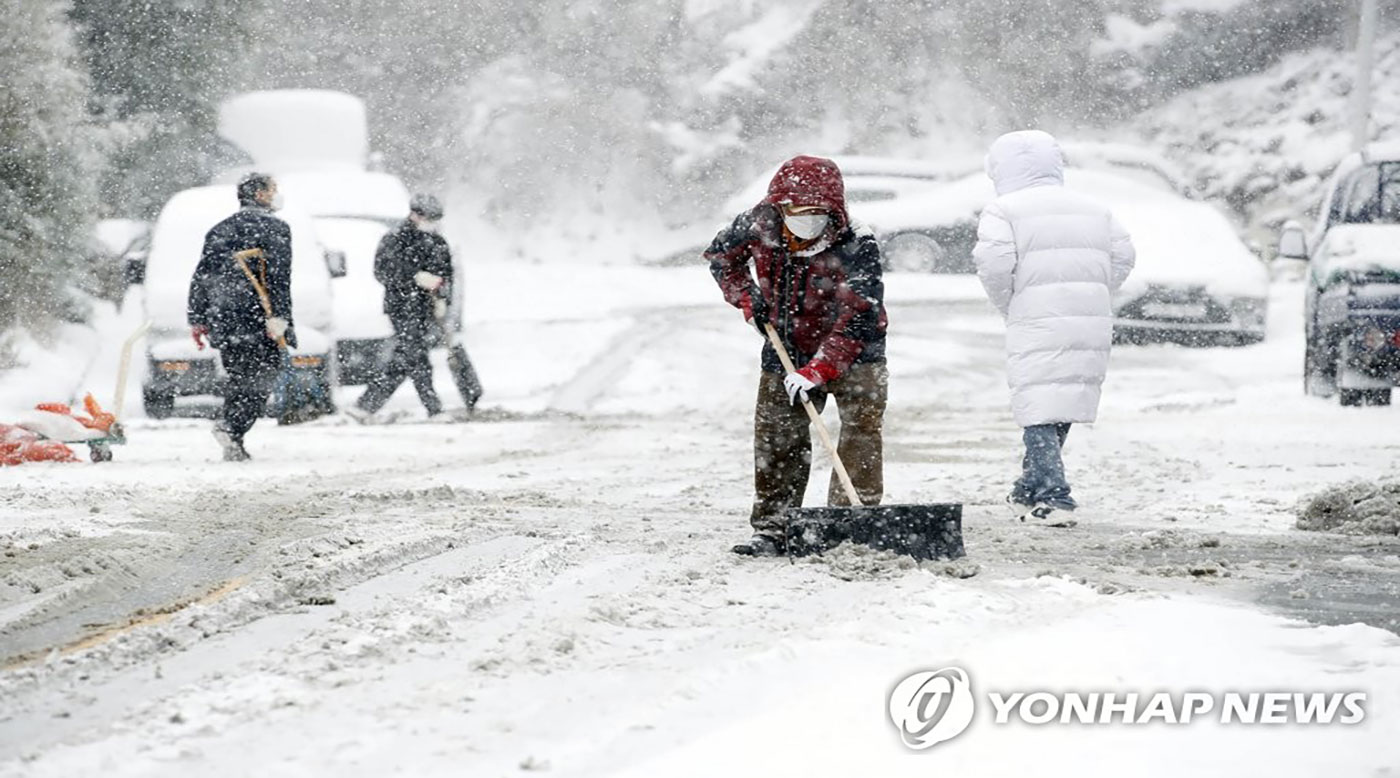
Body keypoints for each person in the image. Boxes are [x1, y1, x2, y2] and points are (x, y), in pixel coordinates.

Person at [707, 155, 889, 556]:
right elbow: (721, 259)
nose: (810, 219)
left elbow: (859, 314)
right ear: (781, 206)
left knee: (861, 431)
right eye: (800, 211)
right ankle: (774, 528)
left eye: (819, 212)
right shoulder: (757, 226)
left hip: (857, 351)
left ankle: (851, 524)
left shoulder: (858, 242)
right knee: (777, 436)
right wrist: (747, 298)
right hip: (785, 341)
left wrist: (819, 370)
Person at [972, 130, 1136, 522]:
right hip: (1090, 316)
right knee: (1060, 398)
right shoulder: (1094, 208)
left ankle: (1055, 496)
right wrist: (1095, 291)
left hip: (1035, 316)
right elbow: (1124, 256)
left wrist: (1010, 302)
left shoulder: (1004, 210)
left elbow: (993, 266)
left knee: (1038, 405)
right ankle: (1027, 488)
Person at [188, 172, 295, 462]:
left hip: (224, 319)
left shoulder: (219, 230)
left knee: (240, 376)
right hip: (259, 318)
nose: (276, 195)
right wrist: (280, 317)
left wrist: (197, 318)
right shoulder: (276, 229)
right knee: (261, 379)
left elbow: (201, 276)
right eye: (273, 190)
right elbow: (278, 278)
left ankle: (233, 432)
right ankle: (232, 427)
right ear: (260, 195)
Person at [349, 193, 453, 420]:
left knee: (408, 357)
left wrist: (443, 298)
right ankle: (433, 407)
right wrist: (414, 277)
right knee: (416, 355)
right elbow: (383, 271)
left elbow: (446, 274)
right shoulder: (395, 239)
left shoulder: (438, 242)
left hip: (426, 308)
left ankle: (366, 405)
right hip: (402, 306)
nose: (432, 223)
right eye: (429, 217)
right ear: (415, 214)